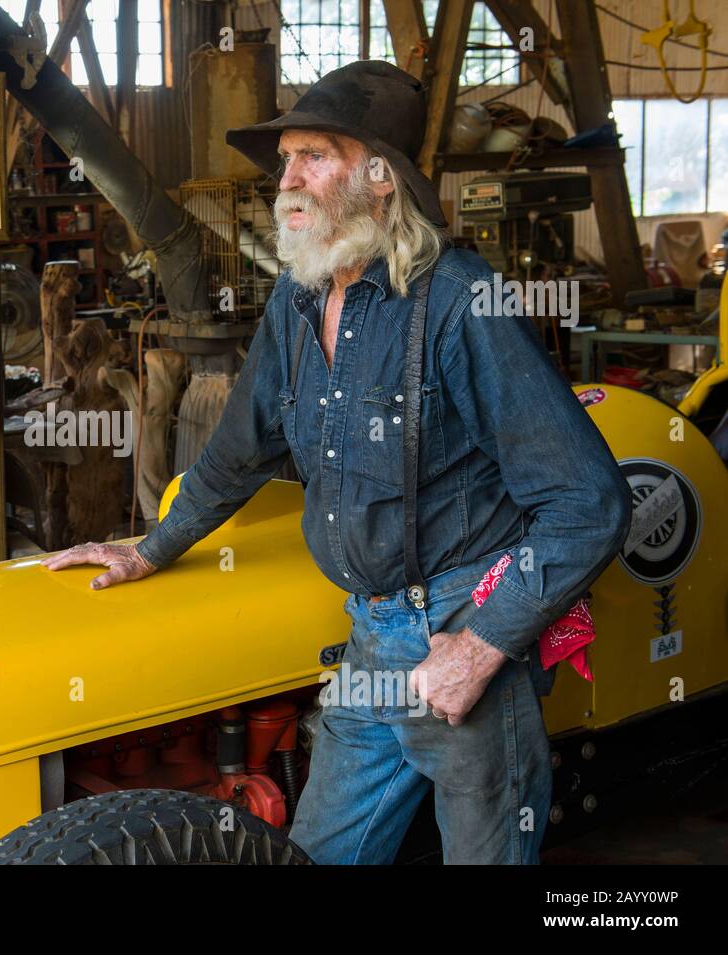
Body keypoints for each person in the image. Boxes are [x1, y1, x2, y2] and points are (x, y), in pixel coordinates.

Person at [40, 60, 631, 865]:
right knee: (315, 854)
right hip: (368, 639)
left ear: (381, 178)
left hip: (456, 635)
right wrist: (150, 546)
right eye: (285, 161)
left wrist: (481, 646)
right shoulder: (299, 297)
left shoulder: (458, 301)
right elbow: (238, 448)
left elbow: (588, 501)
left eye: (314, 155)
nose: (287, 181)